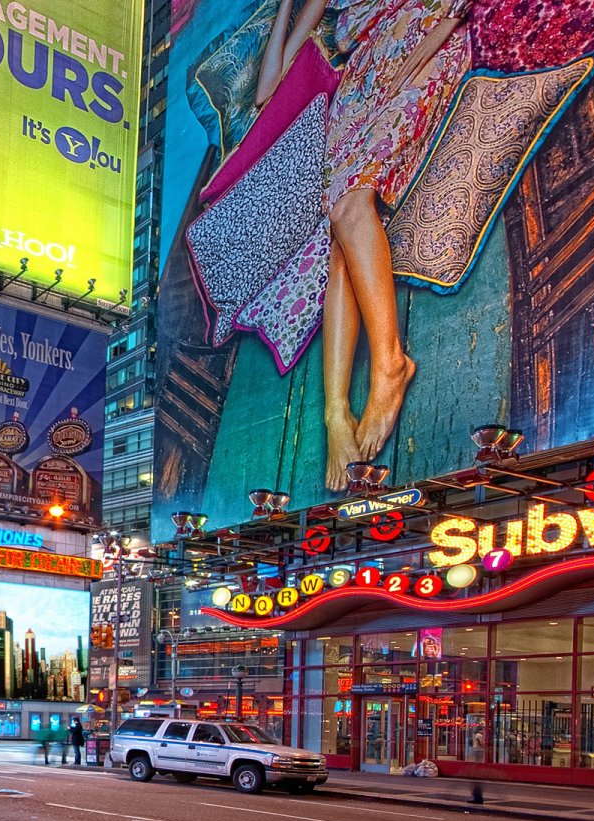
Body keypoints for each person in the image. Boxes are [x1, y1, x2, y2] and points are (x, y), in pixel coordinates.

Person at [256, 0, 471, 490]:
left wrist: (411, 71)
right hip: (359, 87)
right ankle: (335, 411)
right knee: (338, 238)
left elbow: (454, 10)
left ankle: (390, 361)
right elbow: (267, 89)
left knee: (350, 207)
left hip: (419, 52)